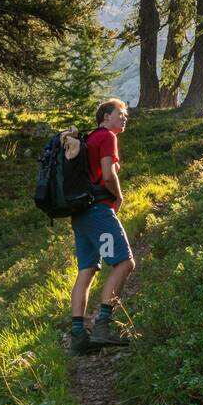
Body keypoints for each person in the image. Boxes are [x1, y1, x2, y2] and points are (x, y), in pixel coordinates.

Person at [69, 98, 135, 356]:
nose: (124, 117)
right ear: (105, 117)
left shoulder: (89, 140)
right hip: (98, 211)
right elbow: (107, 174)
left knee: (87, 270)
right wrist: (118, 197)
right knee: (124, 263)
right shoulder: (106, 136)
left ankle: (77, 337)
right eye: (120, 113)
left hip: (81, 215)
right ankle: (103, 326)